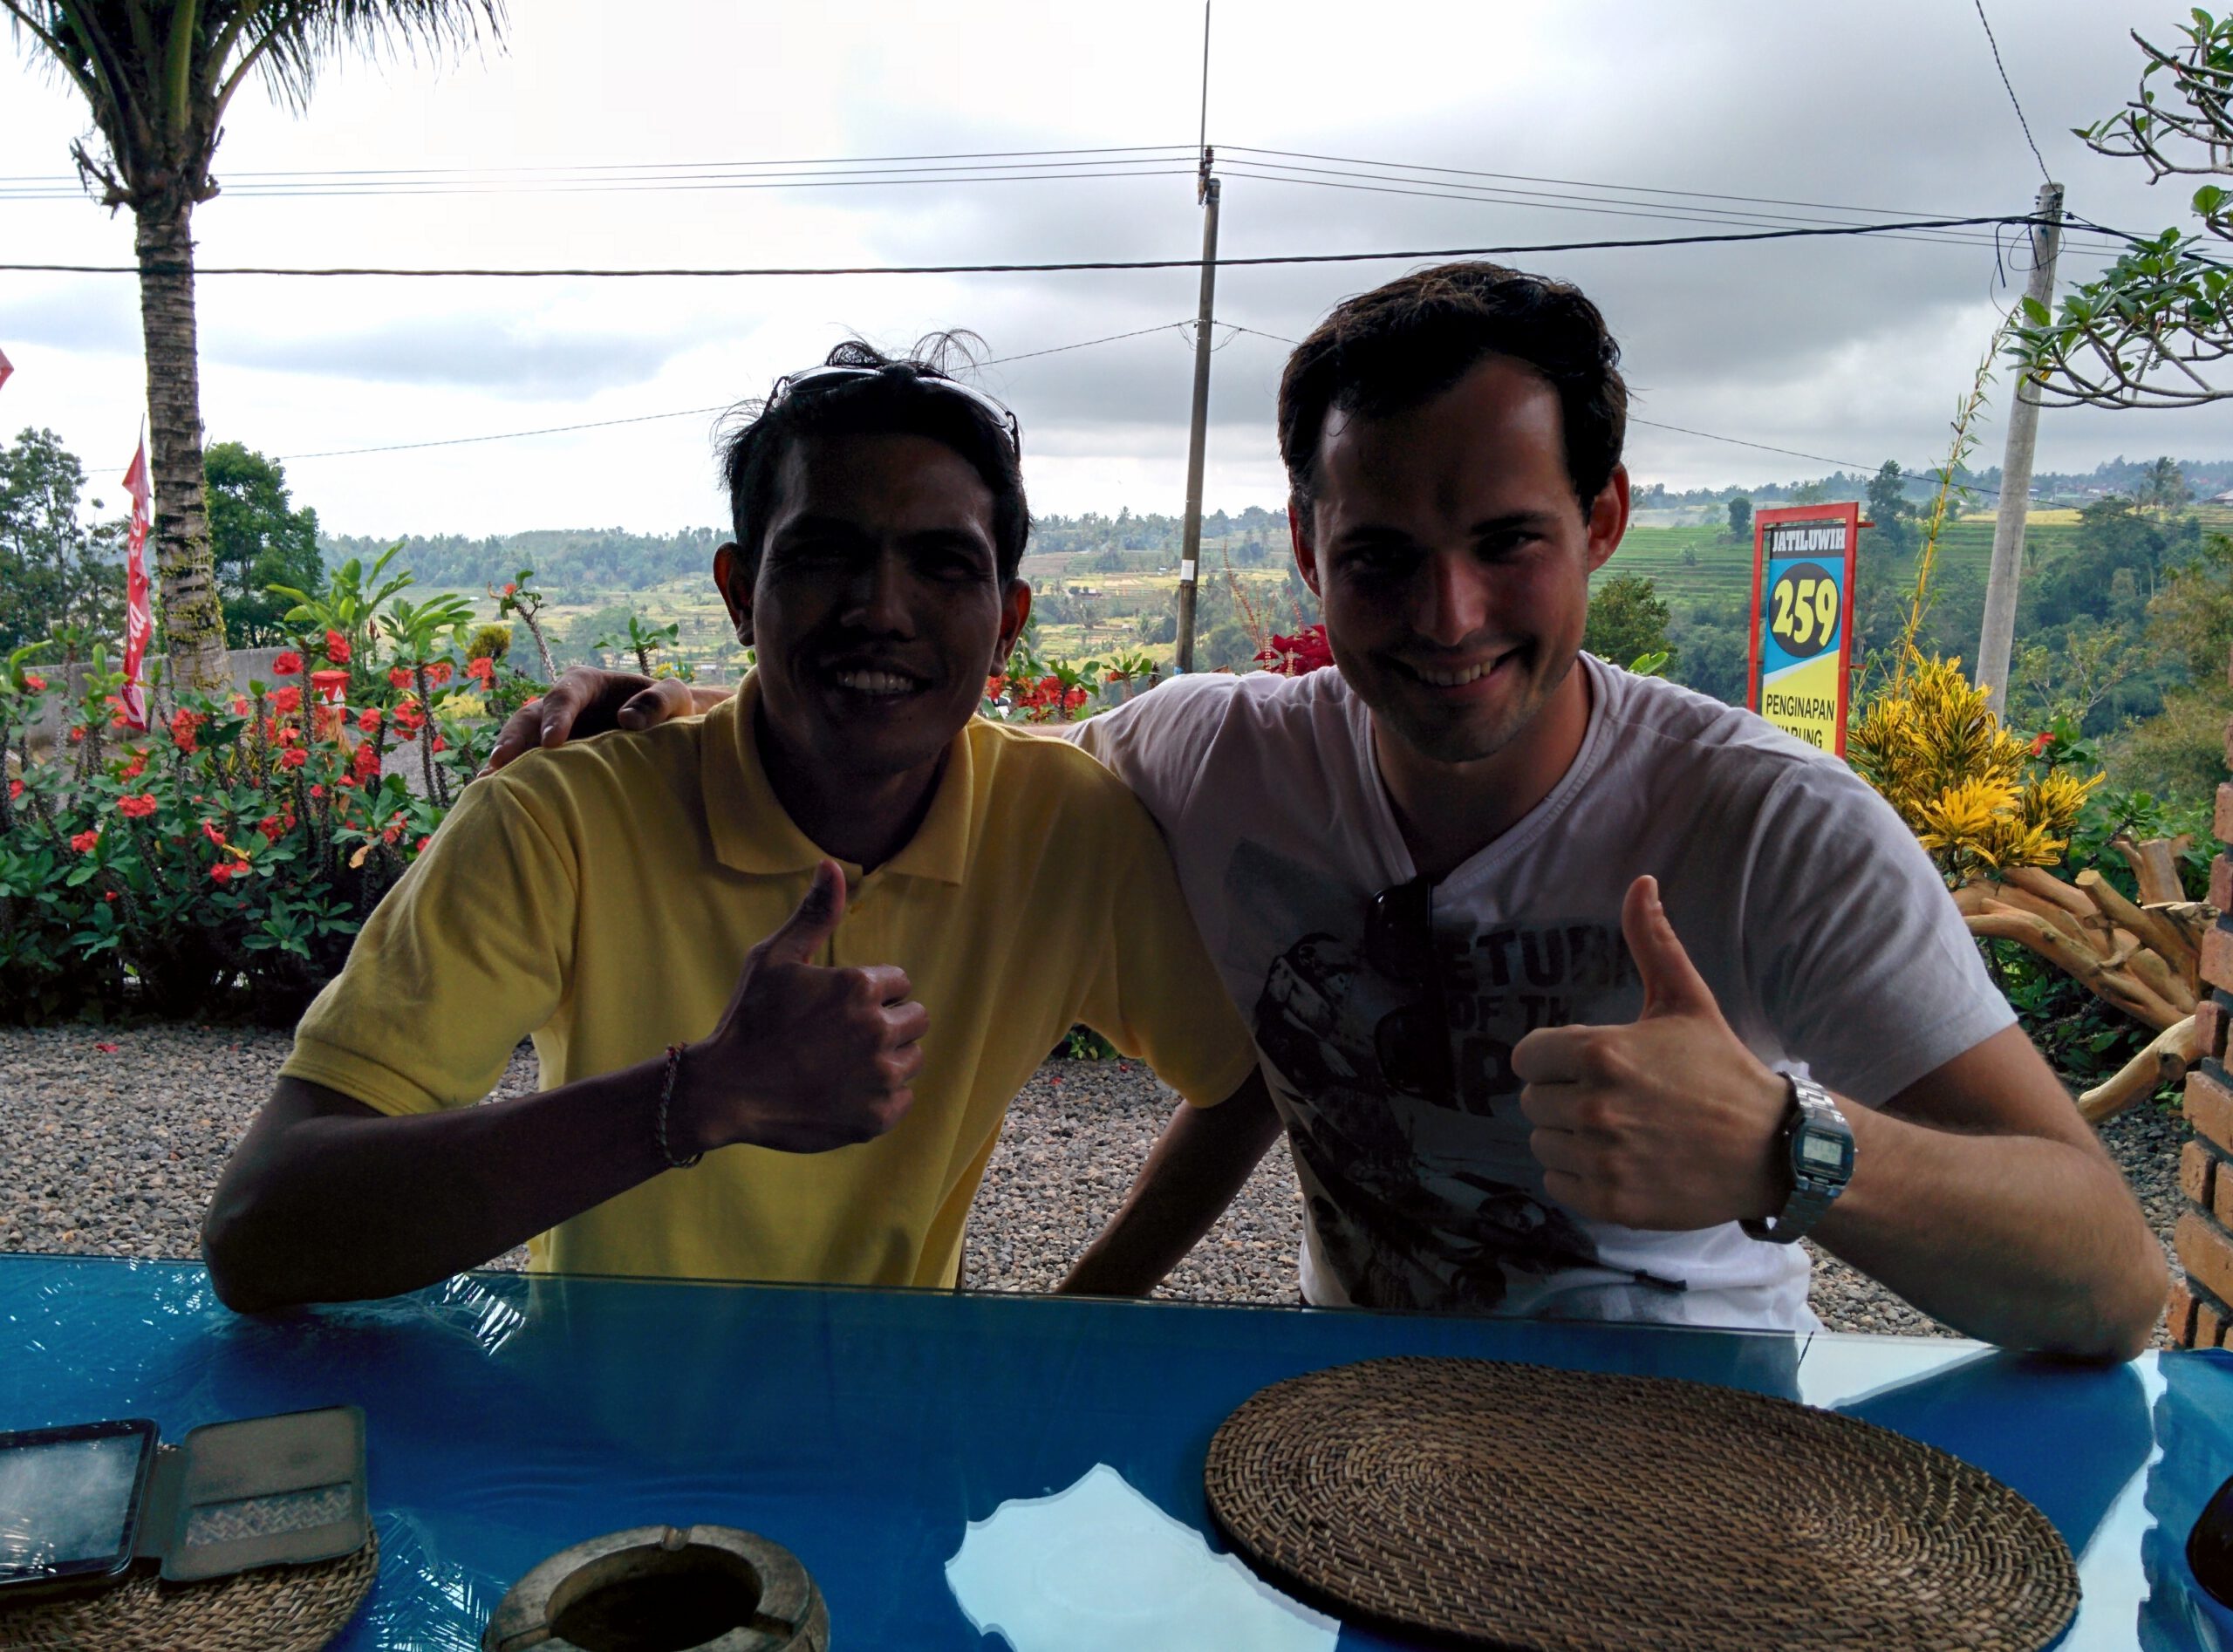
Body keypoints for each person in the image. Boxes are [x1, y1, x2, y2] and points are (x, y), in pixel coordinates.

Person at [492, 267, 2168, 1360]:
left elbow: (2109, 1271)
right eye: (1380, 556)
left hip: (1695, 1446)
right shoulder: (1211, 755)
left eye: (1507, 541)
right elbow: (947, 732)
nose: (1446, 614)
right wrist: (699, 705)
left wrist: (1785, 1147)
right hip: (1351, 1446)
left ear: (1602, 520)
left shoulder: (1775, 827)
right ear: (1307, 548)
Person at [200, 340, 1262, 1314]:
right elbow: (258, 1230)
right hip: (592, 1430)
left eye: (943, 565)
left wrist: (1075, 1323)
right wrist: (697, 1098)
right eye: (824, 555)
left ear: (1008, 623)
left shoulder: (1067, 832)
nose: (881, 608)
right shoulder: (555, 820)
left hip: (890, 1433)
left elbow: (1247, 1081)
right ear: (740, 592)